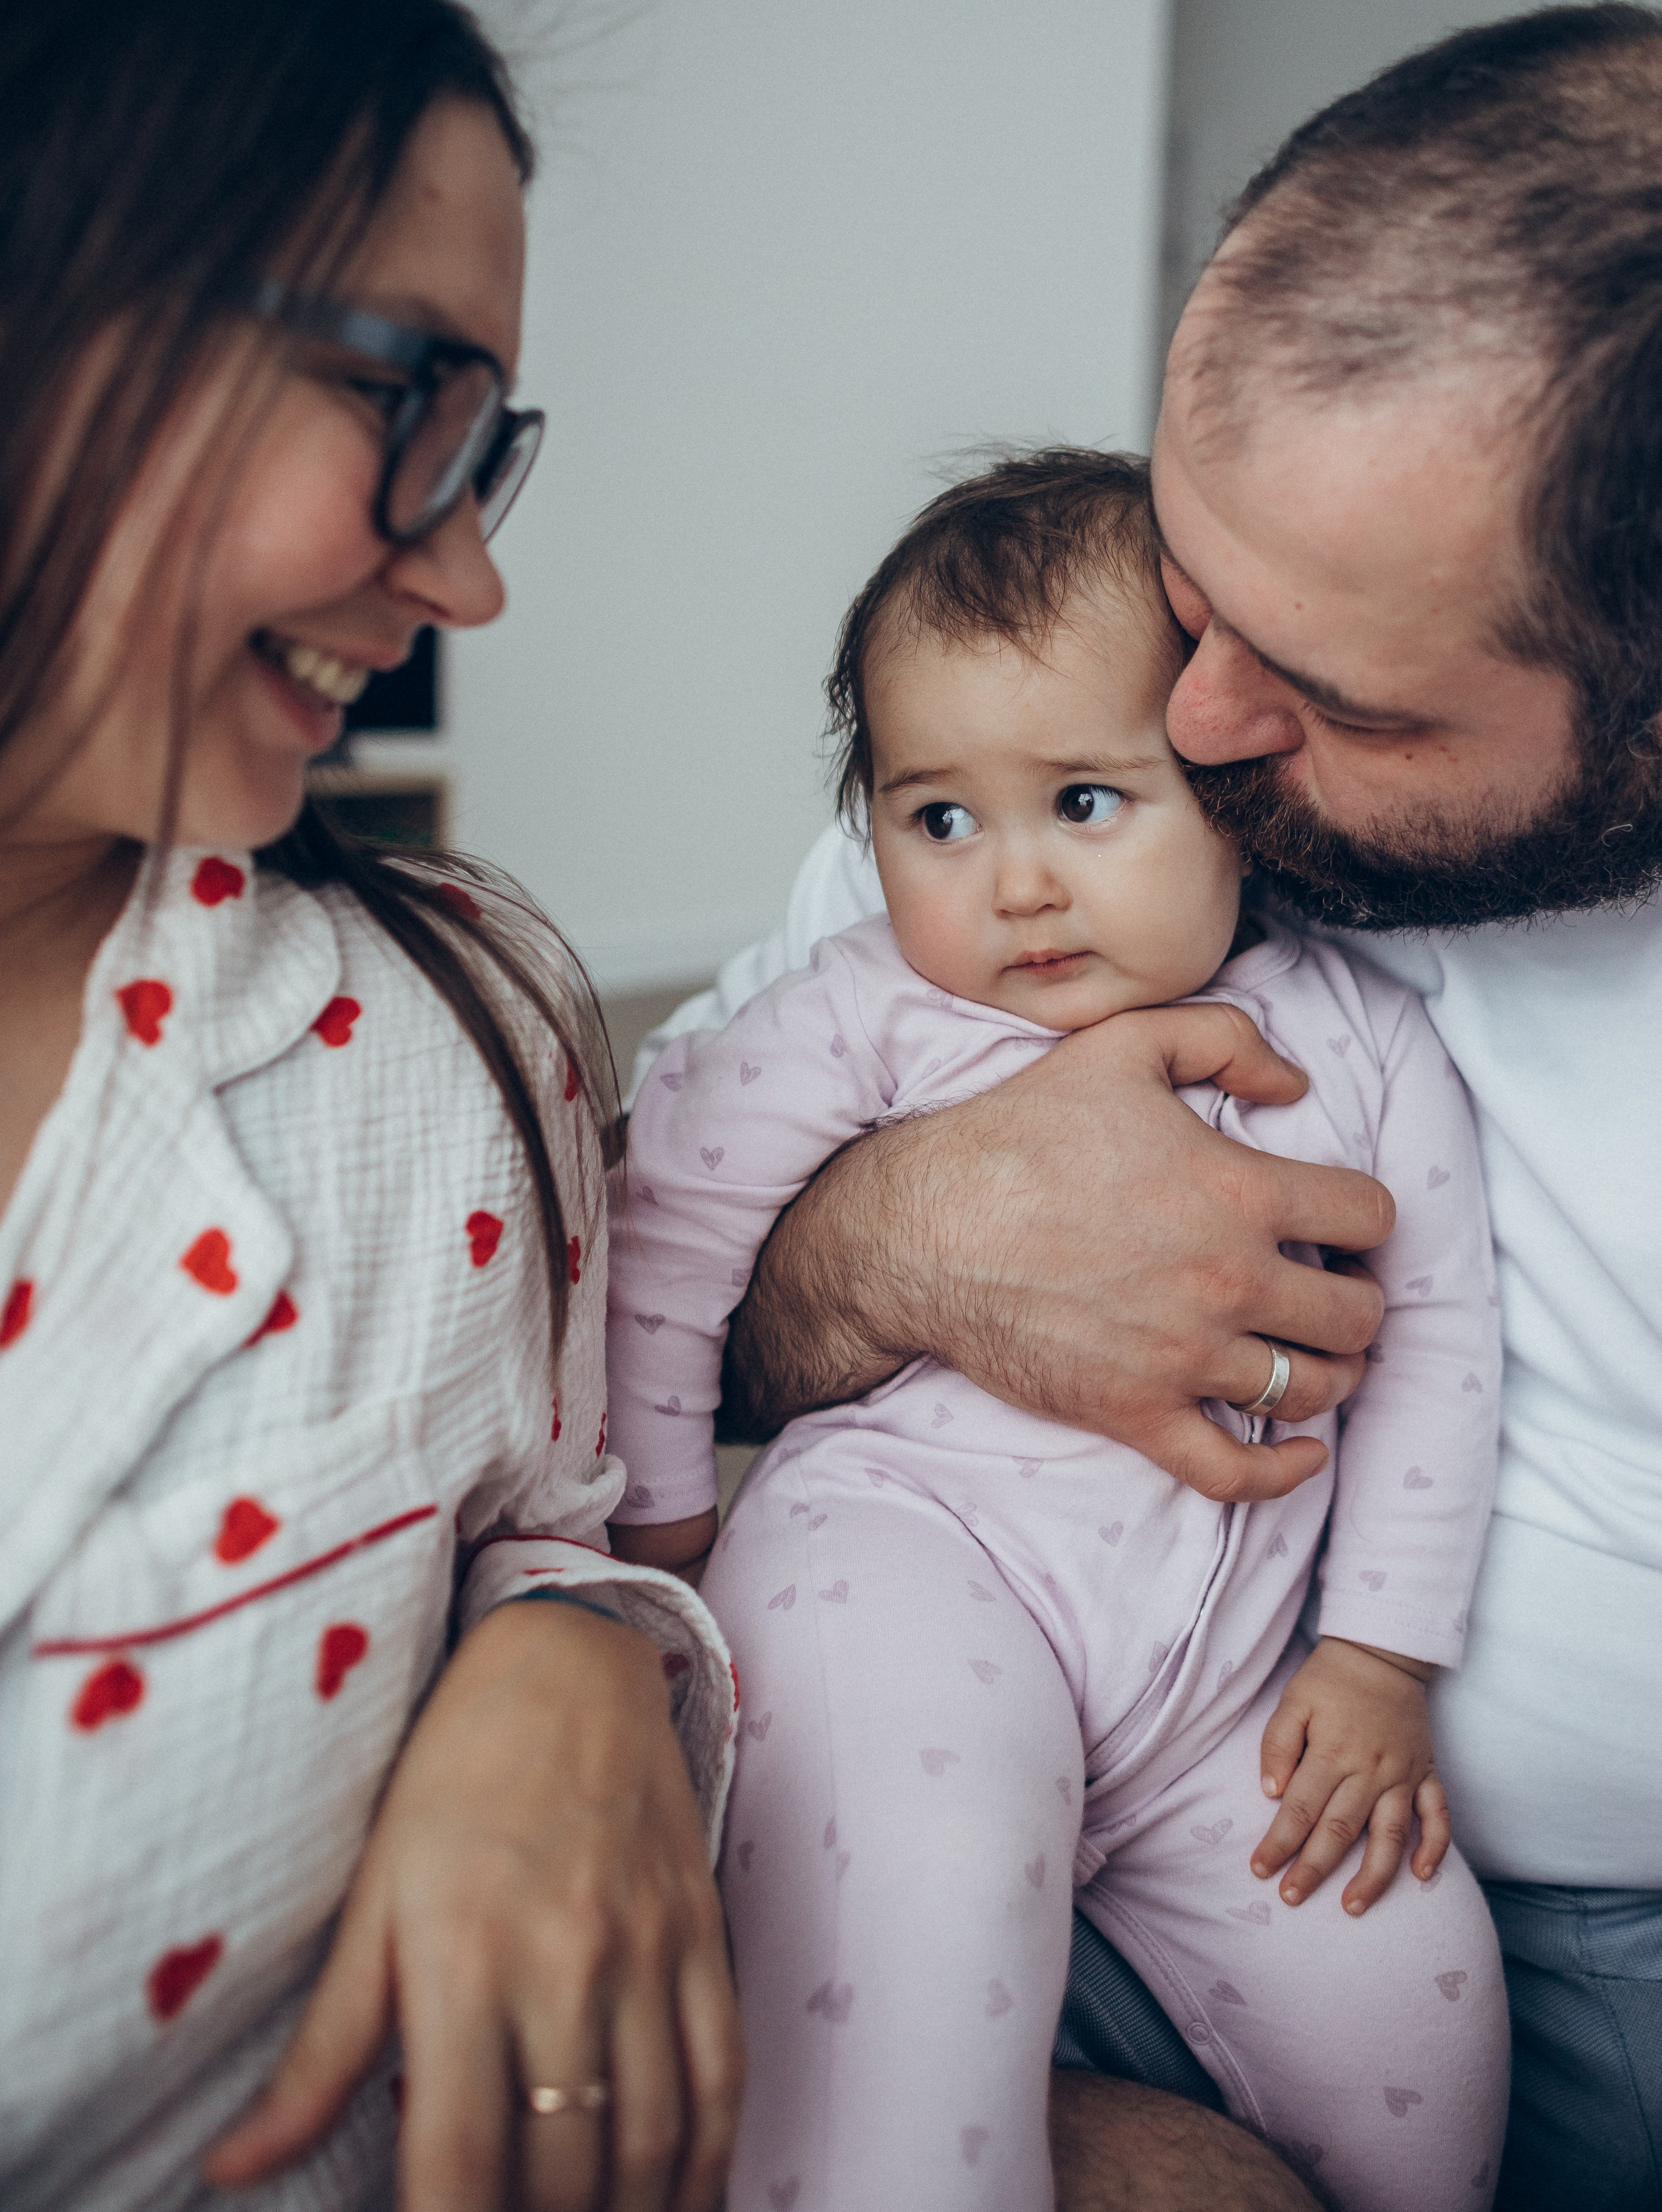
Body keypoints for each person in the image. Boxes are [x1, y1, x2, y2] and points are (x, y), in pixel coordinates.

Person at [637, 9, 1662, 2209]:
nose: (1191, 721)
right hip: (922, 1709)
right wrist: (904, 1239)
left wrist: (1384, 1666)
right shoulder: (1047, 806)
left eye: (1330, 693)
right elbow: (658, 1212)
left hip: (1429, 1871)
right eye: (1204, 593)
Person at [0, 5, 743, 2209]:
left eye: (488, 442)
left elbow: (549, 1517)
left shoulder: (446, 1034)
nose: (466, 574)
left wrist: (574, 1659)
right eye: (405, 397)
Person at [607, 451, 1509, 2212]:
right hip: (902, 1586)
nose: (1013, 886)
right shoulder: (866, 1010)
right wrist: (659, 1517)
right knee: (905, 2002)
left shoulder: (1365, 1041)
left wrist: (1381, 1660)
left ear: (1236, 789)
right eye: (939, 820)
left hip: (1224, 1702)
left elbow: (1444, 1345)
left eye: (1086, 805)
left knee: (1426, 2027)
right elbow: (667, 1228)